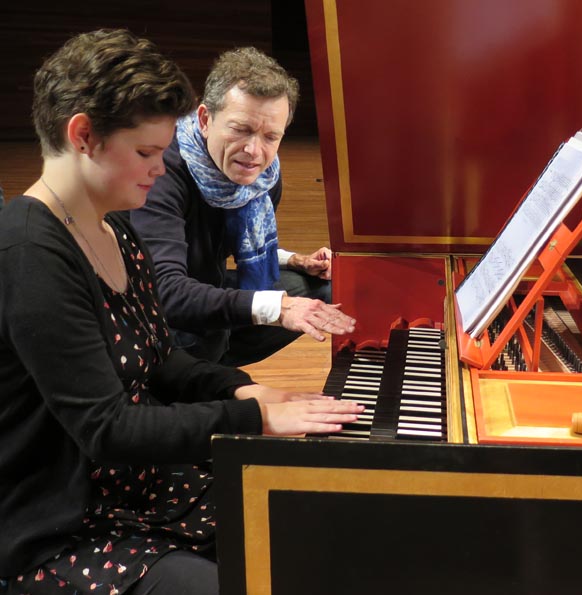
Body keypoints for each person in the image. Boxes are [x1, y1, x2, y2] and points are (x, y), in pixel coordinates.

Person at [0, 29, 362, 595]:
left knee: (310, 523)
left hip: (138, 484)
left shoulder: (114, 222)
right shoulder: (29, 254)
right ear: (83, 136)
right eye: (147, 153)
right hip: (62, 521)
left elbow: (162, 353)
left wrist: (243, 390)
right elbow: (107, 428)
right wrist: (253, 421)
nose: (162, 167)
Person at [130, 47, 350, 367]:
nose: (253, 151)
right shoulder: (159, 172)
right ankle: (193, 380)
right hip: (148, 311)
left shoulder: (263, 177)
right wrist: (278, 309)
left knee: (320, 288)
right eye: (241, 129)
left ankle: (209, 364)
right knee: (212, 333)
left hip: (206, 283)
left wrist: (296, 260)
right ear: (206, 120)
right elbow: (164, 289)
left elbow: (234, 242)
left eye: (270, 136)